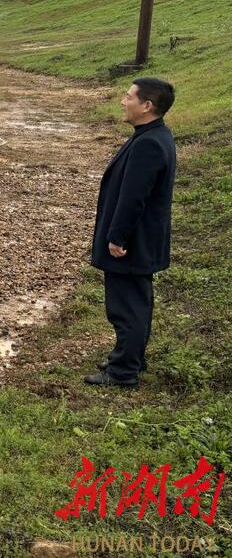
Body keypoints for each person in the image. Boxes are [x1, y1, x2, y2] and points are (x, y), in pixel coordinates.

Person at [86, 78, 177, 388]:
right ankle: (130, 359)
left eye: (128, 97)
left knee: (126, 308)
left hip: (133, 242)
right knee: (137, 302)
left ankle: (123, 372)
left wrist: (117, 237)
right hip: (141, 239)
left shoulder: (149, 143)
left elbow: (134, 197)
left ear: (146, 105)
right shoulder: (155, 134)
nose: (123, 102)